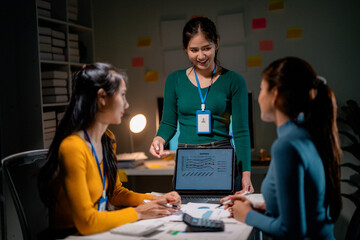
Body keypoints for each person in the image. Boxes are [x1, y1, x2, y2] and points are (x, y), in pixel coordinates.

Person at [38, 63, 181, 238]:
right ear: (102, 98)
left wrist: (155, 199)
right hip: (71, 235)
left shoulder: (107, 139)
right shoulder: (73, 147)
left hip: (97, 232)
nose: (127, 104)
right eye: (122, 95)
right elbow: (86, 222)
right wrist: (140, 212)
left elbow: (115, 193)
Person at [222, 57, 342, 239]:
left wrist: (246, 215)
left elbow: (291, 231)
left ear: (275, 94)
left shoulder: (286, 145)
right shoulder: (308, 133)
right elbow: (305, 205)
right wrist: (257, 207)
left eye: (262, 89)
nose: (259, 97)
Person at [149, 16, 253, 193]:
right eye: (194, 50)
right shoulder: (174, 80)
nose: (201, 56)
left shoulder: (234, 81)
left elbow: (241, 131)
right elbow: (168, 123)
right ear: (185, 49)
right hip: (187, 159)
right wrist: (159, 139)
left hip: (222, 159)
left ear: (217, 44)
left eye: (206, 48)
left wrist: (246, 175)